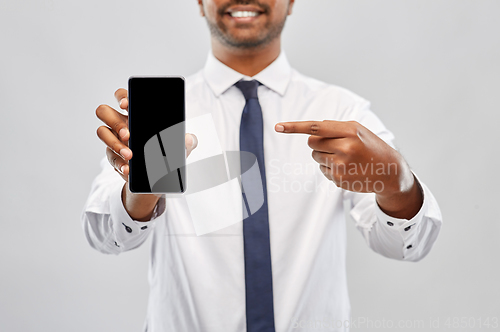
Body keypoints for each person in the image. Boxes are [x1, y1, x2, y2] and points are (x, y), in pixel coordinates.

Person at [82, 0, 443, 331]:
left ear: (291, 2)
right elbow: (104, 235)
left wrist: (396, 183)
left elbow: (404, 244)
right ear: (199, 2)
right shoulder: (165, 116)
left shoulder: (342, 112)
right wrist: (144, 189)